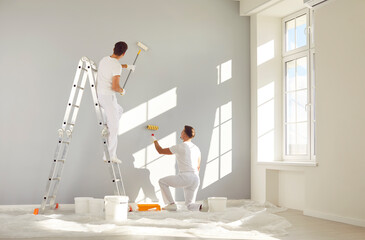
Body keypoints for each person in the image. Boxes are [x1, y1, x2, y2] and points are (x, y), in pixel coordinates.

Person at [97, 41, 136, 163]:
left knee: (119, 110)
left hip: (101, 95)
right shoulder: (116, 66)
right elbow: (115, 87)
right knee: (114, 128)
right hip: (109, 97)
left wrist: (127, 66)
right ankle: (109, 156)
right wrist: (122, 90)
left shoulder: (104, 59)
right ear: (124, 53)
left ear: (114, 49)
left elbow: (113, 66)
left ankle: (109, 123)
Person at [152, 125, 207, 211]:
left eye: (182, 131)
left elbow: (160, 150)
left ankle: (171, 204)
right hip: (196, 179)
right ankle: (204, 207)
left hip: (185, 177)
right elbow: (198, 166)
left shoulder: (180, 146)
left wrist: (154, 140)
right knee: (190, 205)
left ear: (185, 134)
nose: (181, 132)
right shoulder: (197, 149)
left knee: (162, 181)